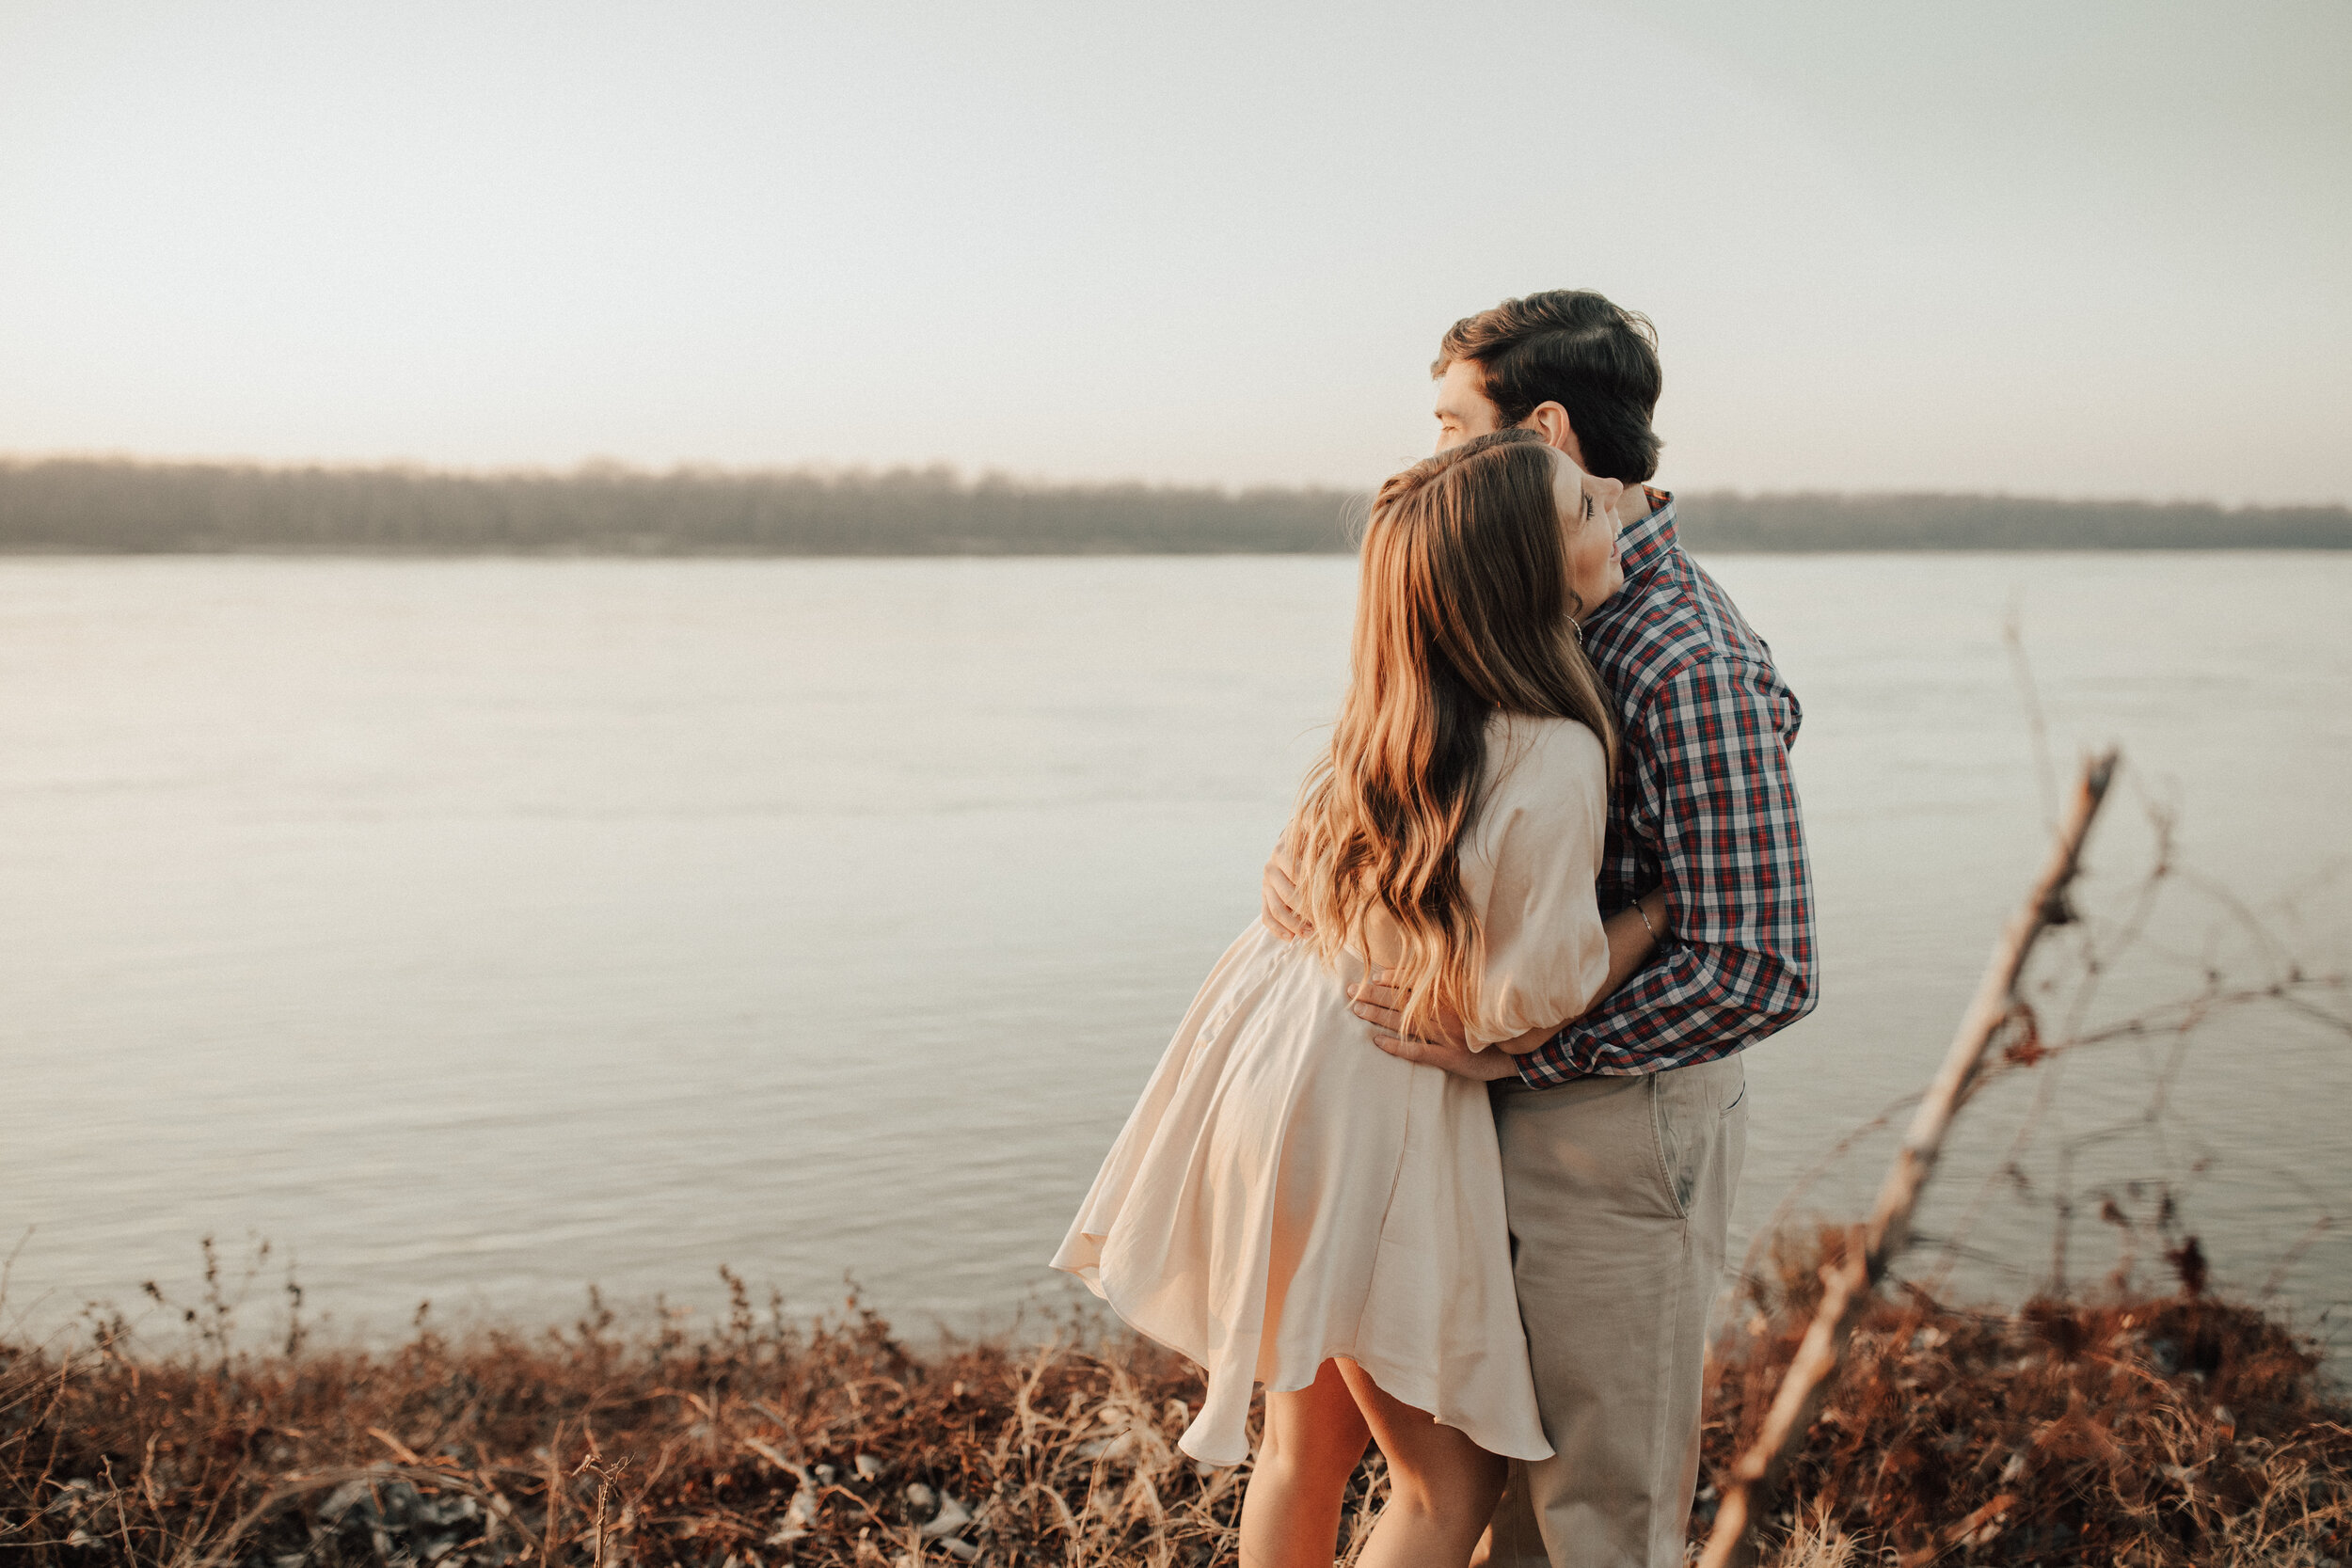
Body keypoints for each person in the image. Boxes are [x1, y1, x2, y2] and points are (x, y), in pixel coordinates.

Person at [1264, 290, 1818, 1568]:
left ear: (1550, 434)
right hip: (1452, 1109)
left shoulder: (1685, 658)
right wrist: (1302, 863)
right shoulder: (1508, 588)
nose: (1438, 455)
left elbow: (1759, 960)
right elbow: (1403, 779)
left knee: (1590, 1515)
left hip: (1606, 1137)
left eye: (1457, 425)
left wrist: (1519, 1053)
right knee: (1485, 1488)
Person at [1055, 429, 1665, 1568]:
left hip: (1267, 1070)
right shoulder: (1554, 750)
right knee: (1449, 1483)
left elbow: (1314, 891)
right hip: (1369, 1103)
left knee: (1306, 1443)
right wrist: (1654, 918)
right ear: (1528, 577)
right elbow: (1525, 999)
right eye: (1590, 508)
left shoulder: (1381, 718)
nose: (1623, 508)